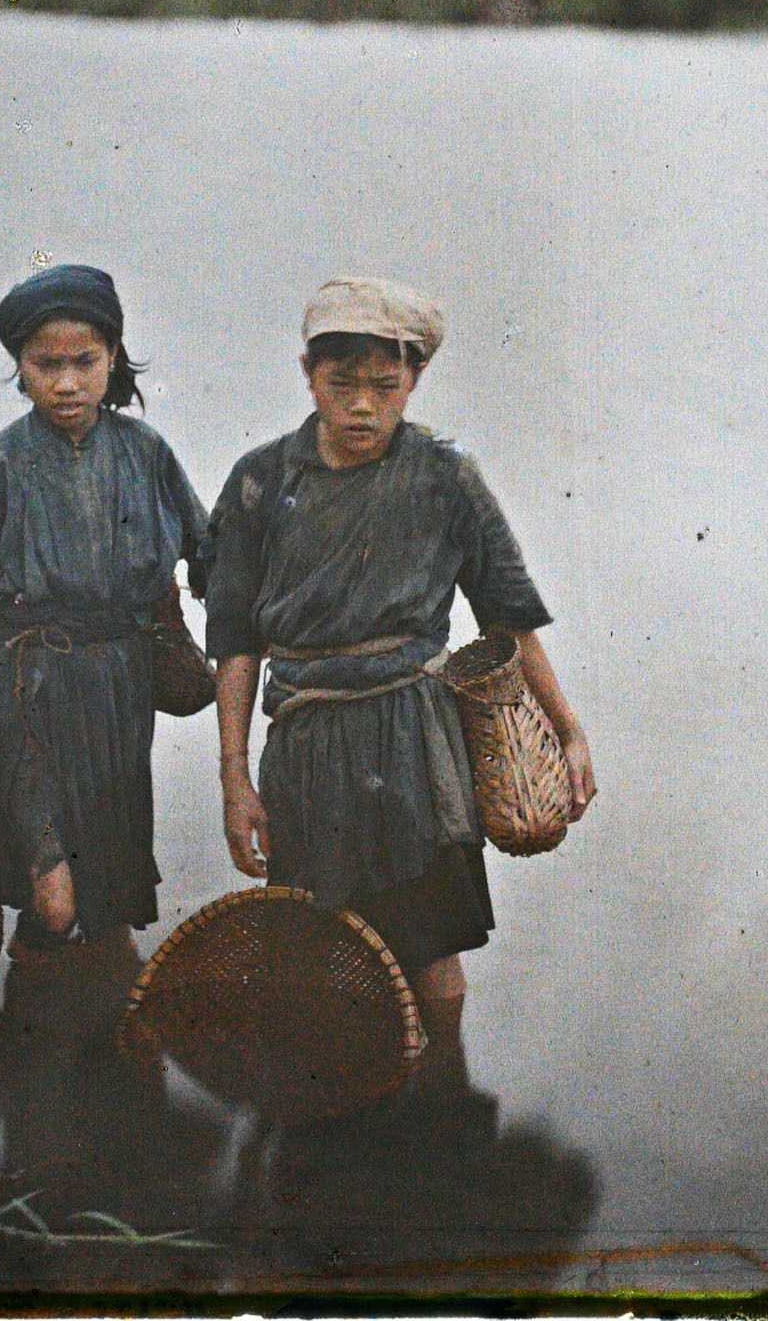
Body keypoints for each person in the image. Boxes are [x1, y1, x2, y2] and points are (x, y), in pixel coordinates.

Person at [203, 274, 595, 1013]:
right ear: (306, 375)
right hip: (306, 746)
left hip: (417, 743)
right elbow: (235, 643)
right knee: (313, 964)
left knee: (432, 958)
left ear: (414, 378)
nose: (360, 405)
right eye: (340, 382)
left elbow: (507, 620)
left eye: (385, 385)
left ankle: (441, 1108)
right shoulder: (260, 482)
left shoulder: (445, 478)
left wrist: (568, 732)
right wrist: (233, 777)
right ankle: (343, 1112)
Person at [0, 263, 208, 963]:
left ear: (112, 359)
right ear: (19, 366)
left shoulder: (145, 451)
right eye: (46, 365)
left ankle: (68, 1023)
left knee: (107, 887)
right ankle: (35, 979)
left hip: (118, 691)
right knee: (55, 896)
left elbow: (208, 549)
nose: (66, 382)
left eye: (85, 362)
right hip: (28, 692)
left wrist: (240, 636)